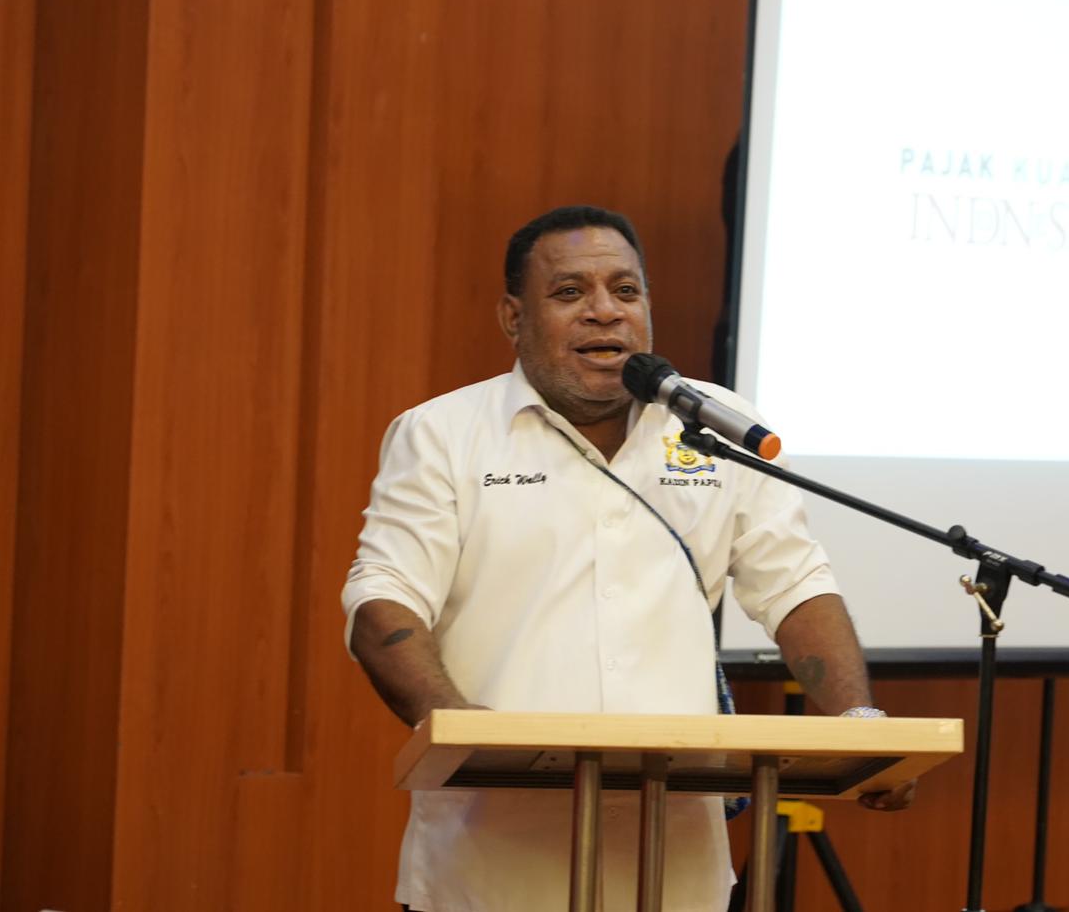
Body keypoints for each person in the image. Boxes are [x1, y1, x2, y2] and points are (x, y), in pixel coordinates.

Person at [341, 205, 911, 912]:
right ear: (513, 318)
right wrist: (460, 729)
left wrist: (859, 720)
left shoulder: (717, 431)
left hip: (676, 869)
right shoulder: (443, 435)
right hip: (491, 865)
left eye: (625, 290)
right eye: (569, 292)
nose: (605, 312)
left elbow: (796, 587)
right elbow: (383, 600)